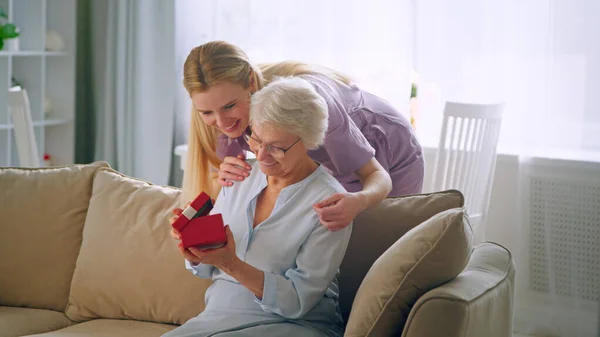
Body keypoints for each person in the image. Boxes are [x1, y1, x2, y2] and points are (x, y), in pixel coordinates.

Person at [165, 77, 352, 337]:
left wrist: (231, 264)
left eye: (276, 148)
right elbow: (207, 268)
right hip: (216, 319)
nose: (261, 156)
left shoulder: (331, 203)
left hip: (294, 326)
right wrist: (195, 246)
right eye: (256, 139)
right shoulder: (239, 176)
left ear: (308, 141)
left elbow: (298, 301)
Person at [182, 40, 424, 231]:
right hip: (334, 159)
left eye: (229, 106)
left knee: (377, 243)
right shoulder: (229, 124)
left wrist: (360, 200)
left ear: (251, 82)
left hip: (391, 148)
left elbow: (375, 175)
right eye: (206, 112)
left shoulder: (309, 103)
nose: (222, 123)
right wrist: (227, 176)